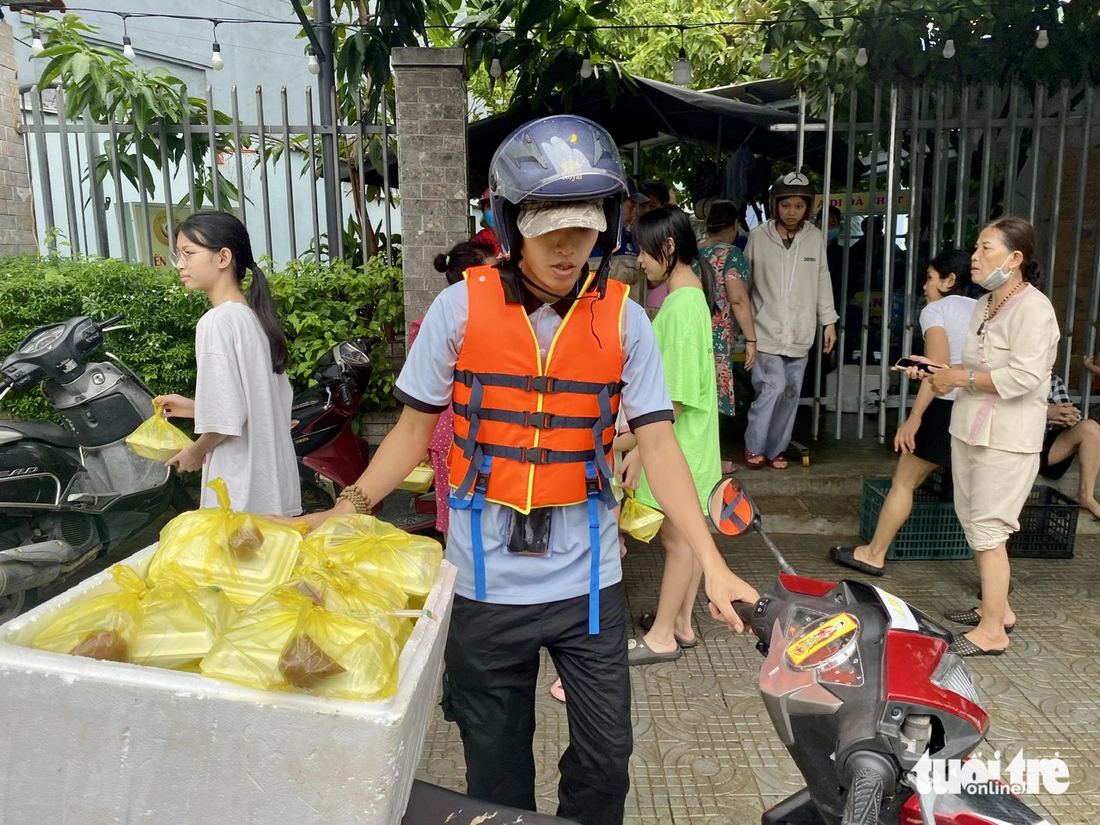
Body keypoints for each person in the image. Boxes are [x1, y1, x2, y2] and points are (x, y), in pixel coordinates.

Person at [282, 116, 758, 825]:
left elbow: (659, 445)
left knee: (606, 763)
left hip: (588, 586)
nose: (570, 244)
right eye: (549, 224)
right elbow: (413, 431)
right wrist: (347, 506)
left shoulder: (626, 321)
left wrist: (714, 565)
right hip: (483, 586)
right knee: (494, 773)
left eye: (587, 223)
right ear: (511, 223)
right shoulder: (457, 310)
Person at [918, 216, 1059, 656]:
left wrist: (962, 378)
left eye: (985, 250)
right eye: (975, 249)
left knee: (990, 529)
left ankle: (993, 633)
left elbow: (1024, 377)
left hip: (1007, 438)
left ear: (1015, 259)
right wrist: (937, 374)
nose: (975, 258)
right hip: (970, 429)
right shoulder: (984, 303)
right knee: (975, 523)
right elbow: (972, 368)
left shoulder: (1035, 310)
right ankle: (999, 610)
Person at [827, 249, 977, 575]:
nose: (925, 286)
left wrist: (914, 418)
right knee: (981, 501)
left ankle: (873, 553)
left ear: (949, 280)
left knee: (904, 482)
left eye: (930, 277)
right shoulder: (984, 310)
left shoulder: (935, 310)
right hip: (978, 406)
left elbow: (937, 370)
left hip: (945, 406)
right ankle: (996, 586)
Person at [626, 205, 723, 665]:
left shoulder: (682, 305)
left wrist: (635, 448)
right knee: (686, 536)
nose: (639, 261)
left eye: (644, 252)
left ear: (668, 248)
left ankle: (664, 635)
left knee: (677, 540)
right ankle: (681, 622)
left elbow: (674, 400)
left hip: (678, 443)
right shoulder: (690, 298)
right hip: (690, 440)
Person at [157, 211, 301, 516]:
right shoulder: (254, 319)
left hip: (239, 488)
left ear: (223, 257)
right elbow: (258, 405)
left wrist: (195, 453)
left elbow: (225, 421)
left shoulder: (217, 322)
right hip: (273, 483)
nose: (180, 264)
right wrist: (195, 407)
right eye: (177, 255)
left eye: (188, 253)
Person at [743, 173, 838, 469]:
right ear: (776, 206)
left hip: (801, 330)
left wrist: (829, 321)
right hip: (766, 329)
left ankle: (775, 450)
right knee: (773, 386)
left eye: (799, 205)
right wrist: (744, 327)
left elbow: (823, 279)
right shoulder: (759, 237)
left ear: (807, 208)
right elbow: (744, 282)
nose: (792, 211)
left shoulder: (814, 238)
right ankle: (754, 445)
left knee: (791, 392)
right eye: (786, 205)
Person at [410, 240, 498, 538]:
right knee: (458, 508)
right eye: (494, 267)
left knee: (458, 507)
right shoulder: (454, 317)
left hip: (456, 429)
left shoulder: (436, 317)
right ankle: (456, 573)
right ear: (475, 274)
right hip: (457, 429)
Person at [699, 200, 757, 474]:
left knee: (694, 396)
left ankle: (698, 456)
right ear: (735, 225)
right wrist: (752, 339)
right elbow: (738, 299)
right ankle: (710, 461)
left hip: (691, 329)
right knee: (712, 398)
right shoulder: (732, 254)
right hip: (717, 336)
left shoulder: (693, 252)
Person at [1038, 371, 1100, 519]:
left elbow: (1066, 410)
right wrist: (1045, 412)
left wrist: (1068, 417)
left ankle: (1086, 496)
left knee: (1090, 428)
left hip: (1045, 446)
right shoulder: (1013, 377)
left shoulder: (1053, 380)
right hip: (1014, 445)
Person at [471, 188, 502, 256]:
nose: (494, 211)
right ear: (483, 211)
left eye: (499, 205)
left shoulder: (523, 238)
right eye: (489, 206)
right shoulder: (479, 241)